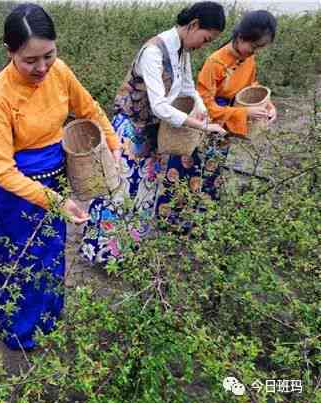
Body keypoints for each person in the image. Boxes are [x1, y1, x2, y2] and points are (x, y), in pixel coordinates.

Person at [0, 3, 121, 351]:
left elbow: (88, 108)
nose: (42, 67)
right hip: (16, 194)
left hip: (55, 179)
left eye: (49, 55)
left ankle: (48, 318)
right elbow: (3, 169)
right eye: (30, 60)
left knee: (51, 253)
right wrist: (55, 200)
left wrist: (113, 142)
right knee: (20, 261)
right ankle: (18, 331)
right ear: (9, 51)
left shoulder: (59, 72)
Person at [80, 1, 228, 265]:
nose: (204, 45)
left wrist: (201, 106)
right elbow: (159, 106)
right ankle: (101, 254)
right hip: (130, 130)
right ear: (193, 25)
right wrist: (201, 126)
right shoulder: (154, 51)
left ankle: (126, 254)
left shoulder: (182, 50)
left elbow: (186, 85)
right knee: (118, 192)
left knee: (145, 194)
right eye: (206, 38)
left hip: (153, 132)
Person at [197, 10, 277, 137]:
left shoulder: (248, 58)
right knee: (200, 155)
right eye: (254, 47)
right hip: (207, 123)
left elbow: (251, 87)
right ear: (240, 37)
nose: (255, 52)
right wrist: (243, 112)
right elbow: (204, 104)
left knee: (219, 155)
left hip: (227, 120)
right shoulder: (215, 62)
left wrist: (268, 106)